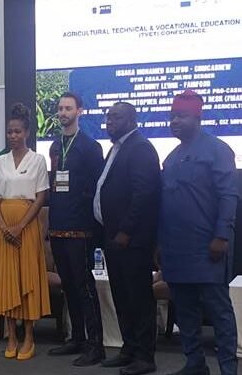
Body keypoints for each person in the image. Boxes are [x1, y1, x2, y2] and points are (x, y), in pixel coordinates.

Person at [159, 90, 239, 375]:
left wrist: (221, 236)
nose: (174, 121)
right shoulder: (171, 157)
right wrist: (160, 245)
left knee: (219, 313)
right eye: (172, 117)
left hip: (207, 248)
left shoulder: (217, 149)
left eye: (181, 116)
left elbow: (229, 196)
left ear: (197, 117)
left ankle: (229, 369)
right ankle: (194, 364)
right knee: (186, 312)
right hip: (176, 249)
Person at [93, 102, 160, 375]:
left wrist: (125, 231)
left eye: (116, 117)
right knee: (122, 296)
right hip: (113, 237)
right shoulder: (117, 147)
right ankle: (129, 349)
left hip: (131, 240)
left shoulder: (141, 148)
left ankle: (145, 356)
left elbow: (144, 194)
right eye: (108, 117)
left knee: (139, 298)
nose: (110, 121)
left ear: (132, 120)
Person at [47, 92, 105, 365]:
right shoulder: (55, 146)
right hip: (58, 225)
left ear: (80, 111)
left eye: (68, 108)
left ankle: (96, 345)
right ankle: (77, 338)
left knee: (84, 287)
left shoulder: (91, 146)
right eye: (60, 108)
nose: (63, 113)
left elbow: (97, 189)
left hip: (80, 228)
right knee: (69, 286)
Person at [0, 103, 51, 360]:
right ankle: (11, 337)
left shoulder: (37, 160)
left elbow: (40, 197)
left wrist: (20, 225)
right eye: (9, 132)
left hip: (26, 227)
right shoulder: (0, 161)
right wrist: (4, 225)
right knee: (6, 280)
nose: (12, 136)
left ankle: (28, 337)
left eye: (17, 132)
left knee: (26, 279)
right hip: (3, 228)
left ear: (26, 132)